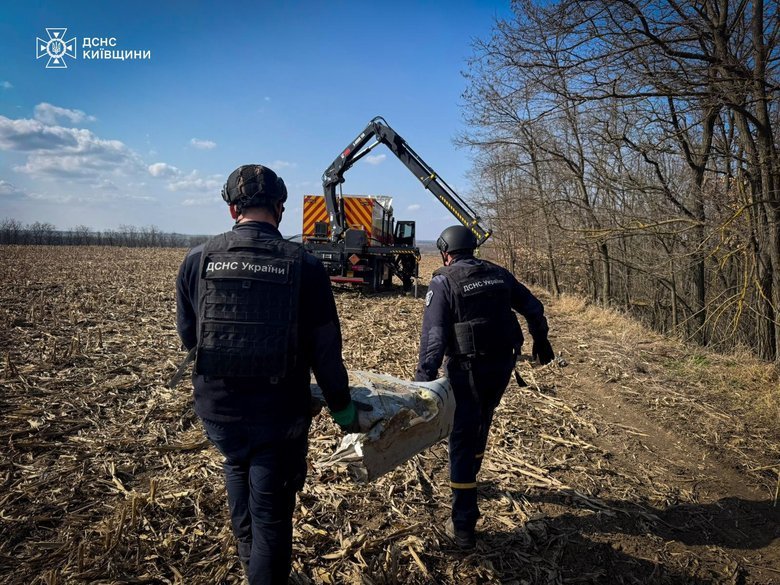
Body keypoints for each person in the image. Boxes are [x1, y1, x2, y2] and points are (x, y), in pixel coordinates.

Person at [175, 164, 369, 584]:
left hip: (219, 414)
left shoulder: (197, 259)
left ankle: (251, 565)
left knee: (237, 466)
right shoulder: (305, 265)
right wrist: (343, 410)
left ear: (232, 210)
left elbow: (191, 339)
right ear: (280, 208)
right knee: (272, 518)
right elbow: (326, 354)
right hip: (279, 418)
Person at [415, 225, 555, 549]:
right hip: (503, 366)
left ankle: (463, 526)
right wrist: (542, 340)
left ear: (446, 252)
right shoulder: (498, 274)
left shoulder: (444, 280)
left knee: (461, 440)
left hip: (468, 371)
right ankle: (471, 478)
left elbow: (434, 338)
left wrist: (422, 384)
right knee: (483, 420)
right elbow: (533, 307)